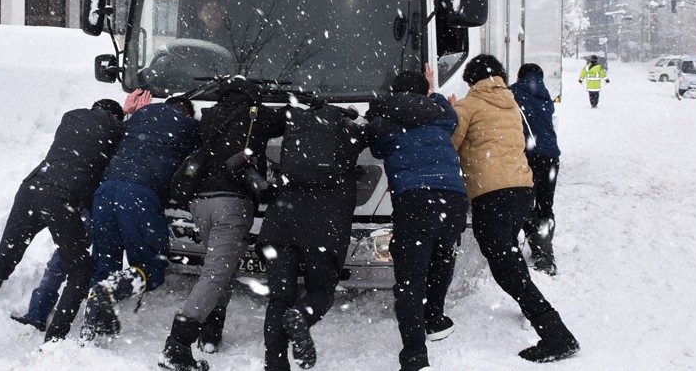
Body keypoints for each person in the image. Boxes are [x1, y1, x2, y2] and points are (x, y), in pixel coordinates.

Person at [0, 97, 130, 343]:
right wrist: (128, 113)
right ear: (115, 117)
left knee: (5, 258)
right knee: (79, 271)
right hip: (62, 198)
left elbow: (94, 130)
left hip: (31, 190)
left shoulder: (71, 116)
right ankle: (55, 338)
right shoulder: (115, 129)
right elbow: (122, 134)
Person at [452, 55, 579, 363]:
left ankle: (556, 334)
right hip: (521, 190)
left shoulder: (469, 106)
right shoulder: (511, 103)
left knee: (505, 267)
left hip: (491, 194)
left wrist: (448, 112)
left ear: (471, 80)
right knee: (508, 256)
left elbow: (449, 143)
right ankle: (538, 314)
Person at [158, 76, 286, 371]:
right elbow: (288, 118)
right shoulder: (259, 115)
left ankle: (211, 332)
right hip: (232, 204)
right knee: (215, 274)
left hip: (200, 202)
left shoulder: (209, 115)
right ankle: (177, 346)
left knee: (218, 269)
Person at [367, 67, 468, 371]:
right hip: (453, 199)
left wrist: (379, 111)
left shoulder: (385, 120)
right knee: (442, 258)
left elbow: (377, 147)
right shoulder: (441, 113)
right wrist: (433, 91)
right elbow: (451, 117)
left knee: (410, 279)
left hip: (414, 199)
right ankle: (434, 318)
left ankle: (414, 356)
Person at [81, 93, 201, 341]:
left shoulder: (139, 118)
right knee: (151, 268)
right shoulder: (188, 126)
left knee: (105, 263)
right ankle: (109, 291)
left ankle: (90, 331)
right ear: (188, 114)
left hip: (105, 191)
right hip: (140, 195)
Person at [260, 99, 368, 371]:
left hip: (280, 225)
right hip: (323, 230)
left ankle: (275, 363)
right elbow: (379, 132)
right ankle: (302, 315)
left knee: (279, 298)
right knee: (320, 291)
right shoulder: (350, 133)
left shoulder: (293, 132)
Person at [509, 63, 562, 276]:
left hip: (529, 156)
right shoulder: (545, 96)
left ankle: (541, 251)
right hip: (551, 156)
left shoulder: (513, 93)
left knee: (525, 204)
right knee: (545, 205)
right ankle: (544, 248)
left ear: (520, 76)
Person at [9, 210, 91, 332]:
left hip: (92, 212)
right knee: (62, 261)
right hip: (92, 211)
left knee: (60, 261)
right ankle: (39, 313)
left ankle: (38, 314)